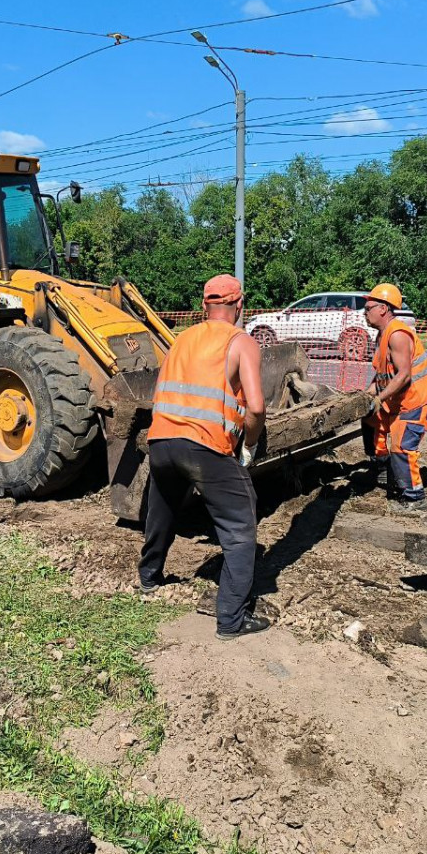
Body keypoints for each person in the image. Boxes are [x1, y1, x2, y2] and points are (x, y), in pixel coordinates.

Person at [138, 274, 270, 640]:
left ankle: (149, 578)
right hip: (205, 445)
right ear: (240, 306)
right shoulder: (240, 342)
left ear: (203, 307)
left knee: (161, 509)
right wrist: (249, 445)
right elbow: (256, 408)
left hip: (162, 440)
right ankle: (231, 619)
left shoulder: (180, 340)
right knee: (241, 525)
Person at [363, 283, 427, 512]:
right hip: (397, 398)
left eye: (368, 308)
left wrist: (379, 399)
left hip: (417, 399)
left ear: (383, 309)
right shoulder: (382, 334)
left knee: (402, 446)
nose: (364, 313)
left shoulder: (398, 334)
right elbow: (382, 374)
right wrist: (367, 394)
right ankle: (382, 469)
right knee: (370, 422)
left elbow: (404, 376)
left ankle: (414, 498)